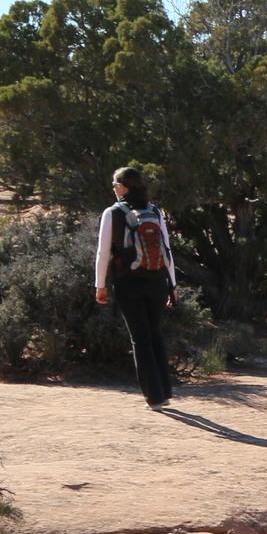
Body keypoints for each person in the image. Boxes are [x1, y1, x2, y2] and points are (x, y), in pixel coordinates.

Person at [94, 164, 178, 407]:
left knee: (140, 338)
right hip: (158, 281)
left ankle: (154, 397)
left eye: (114, 185)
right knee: (154, 334)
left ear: (122, 186)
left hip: (128, 282)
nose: (113, 189)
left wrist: (100, 285)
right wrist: (172, 285)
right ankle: (164, 392)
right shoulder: (155, 211)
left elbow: (103, 252)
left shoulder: (113, 213)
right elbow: (167, 250)